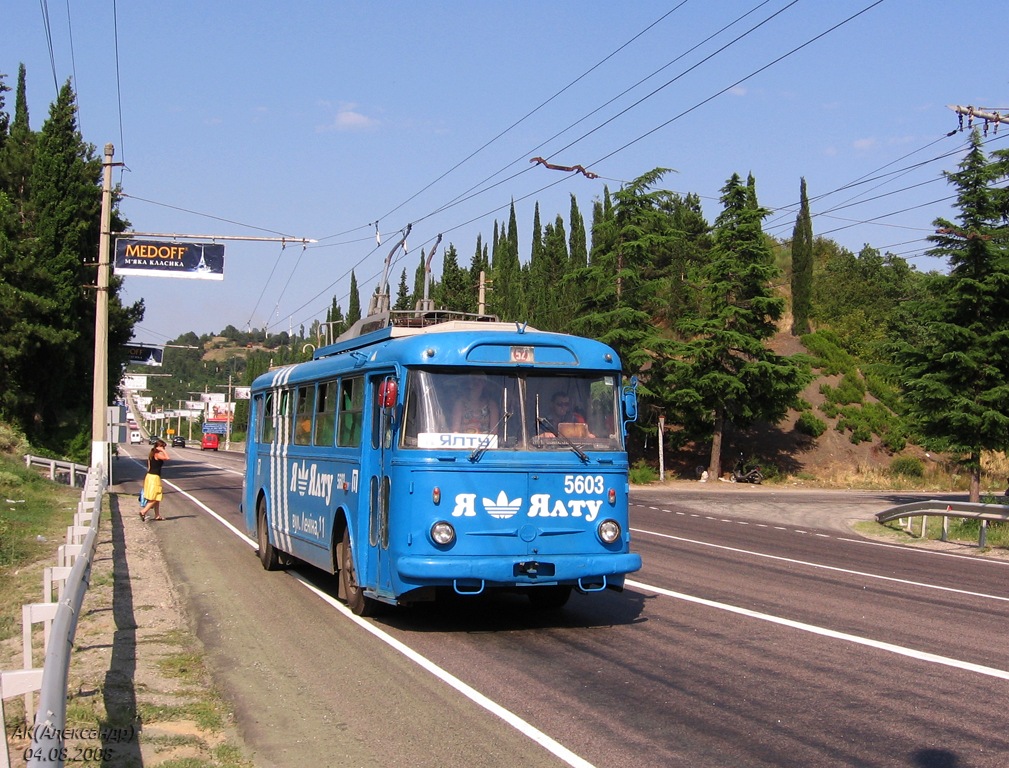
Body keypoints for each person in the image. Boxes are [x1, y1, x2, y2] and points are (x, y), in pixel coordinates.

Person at [140, 439, 170, 521]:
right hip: (153, 477)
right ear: (158, 447)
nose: (163, 448)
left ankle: (157, 515)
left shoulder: (151, 454)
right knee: (155, 497)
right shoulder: (156, 454)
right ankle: (143, 511)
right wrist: (162, 451)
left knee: (157, 497)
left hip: (150, 476)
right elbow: (167, 458)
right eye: (162, 447)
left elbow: (149, 467)